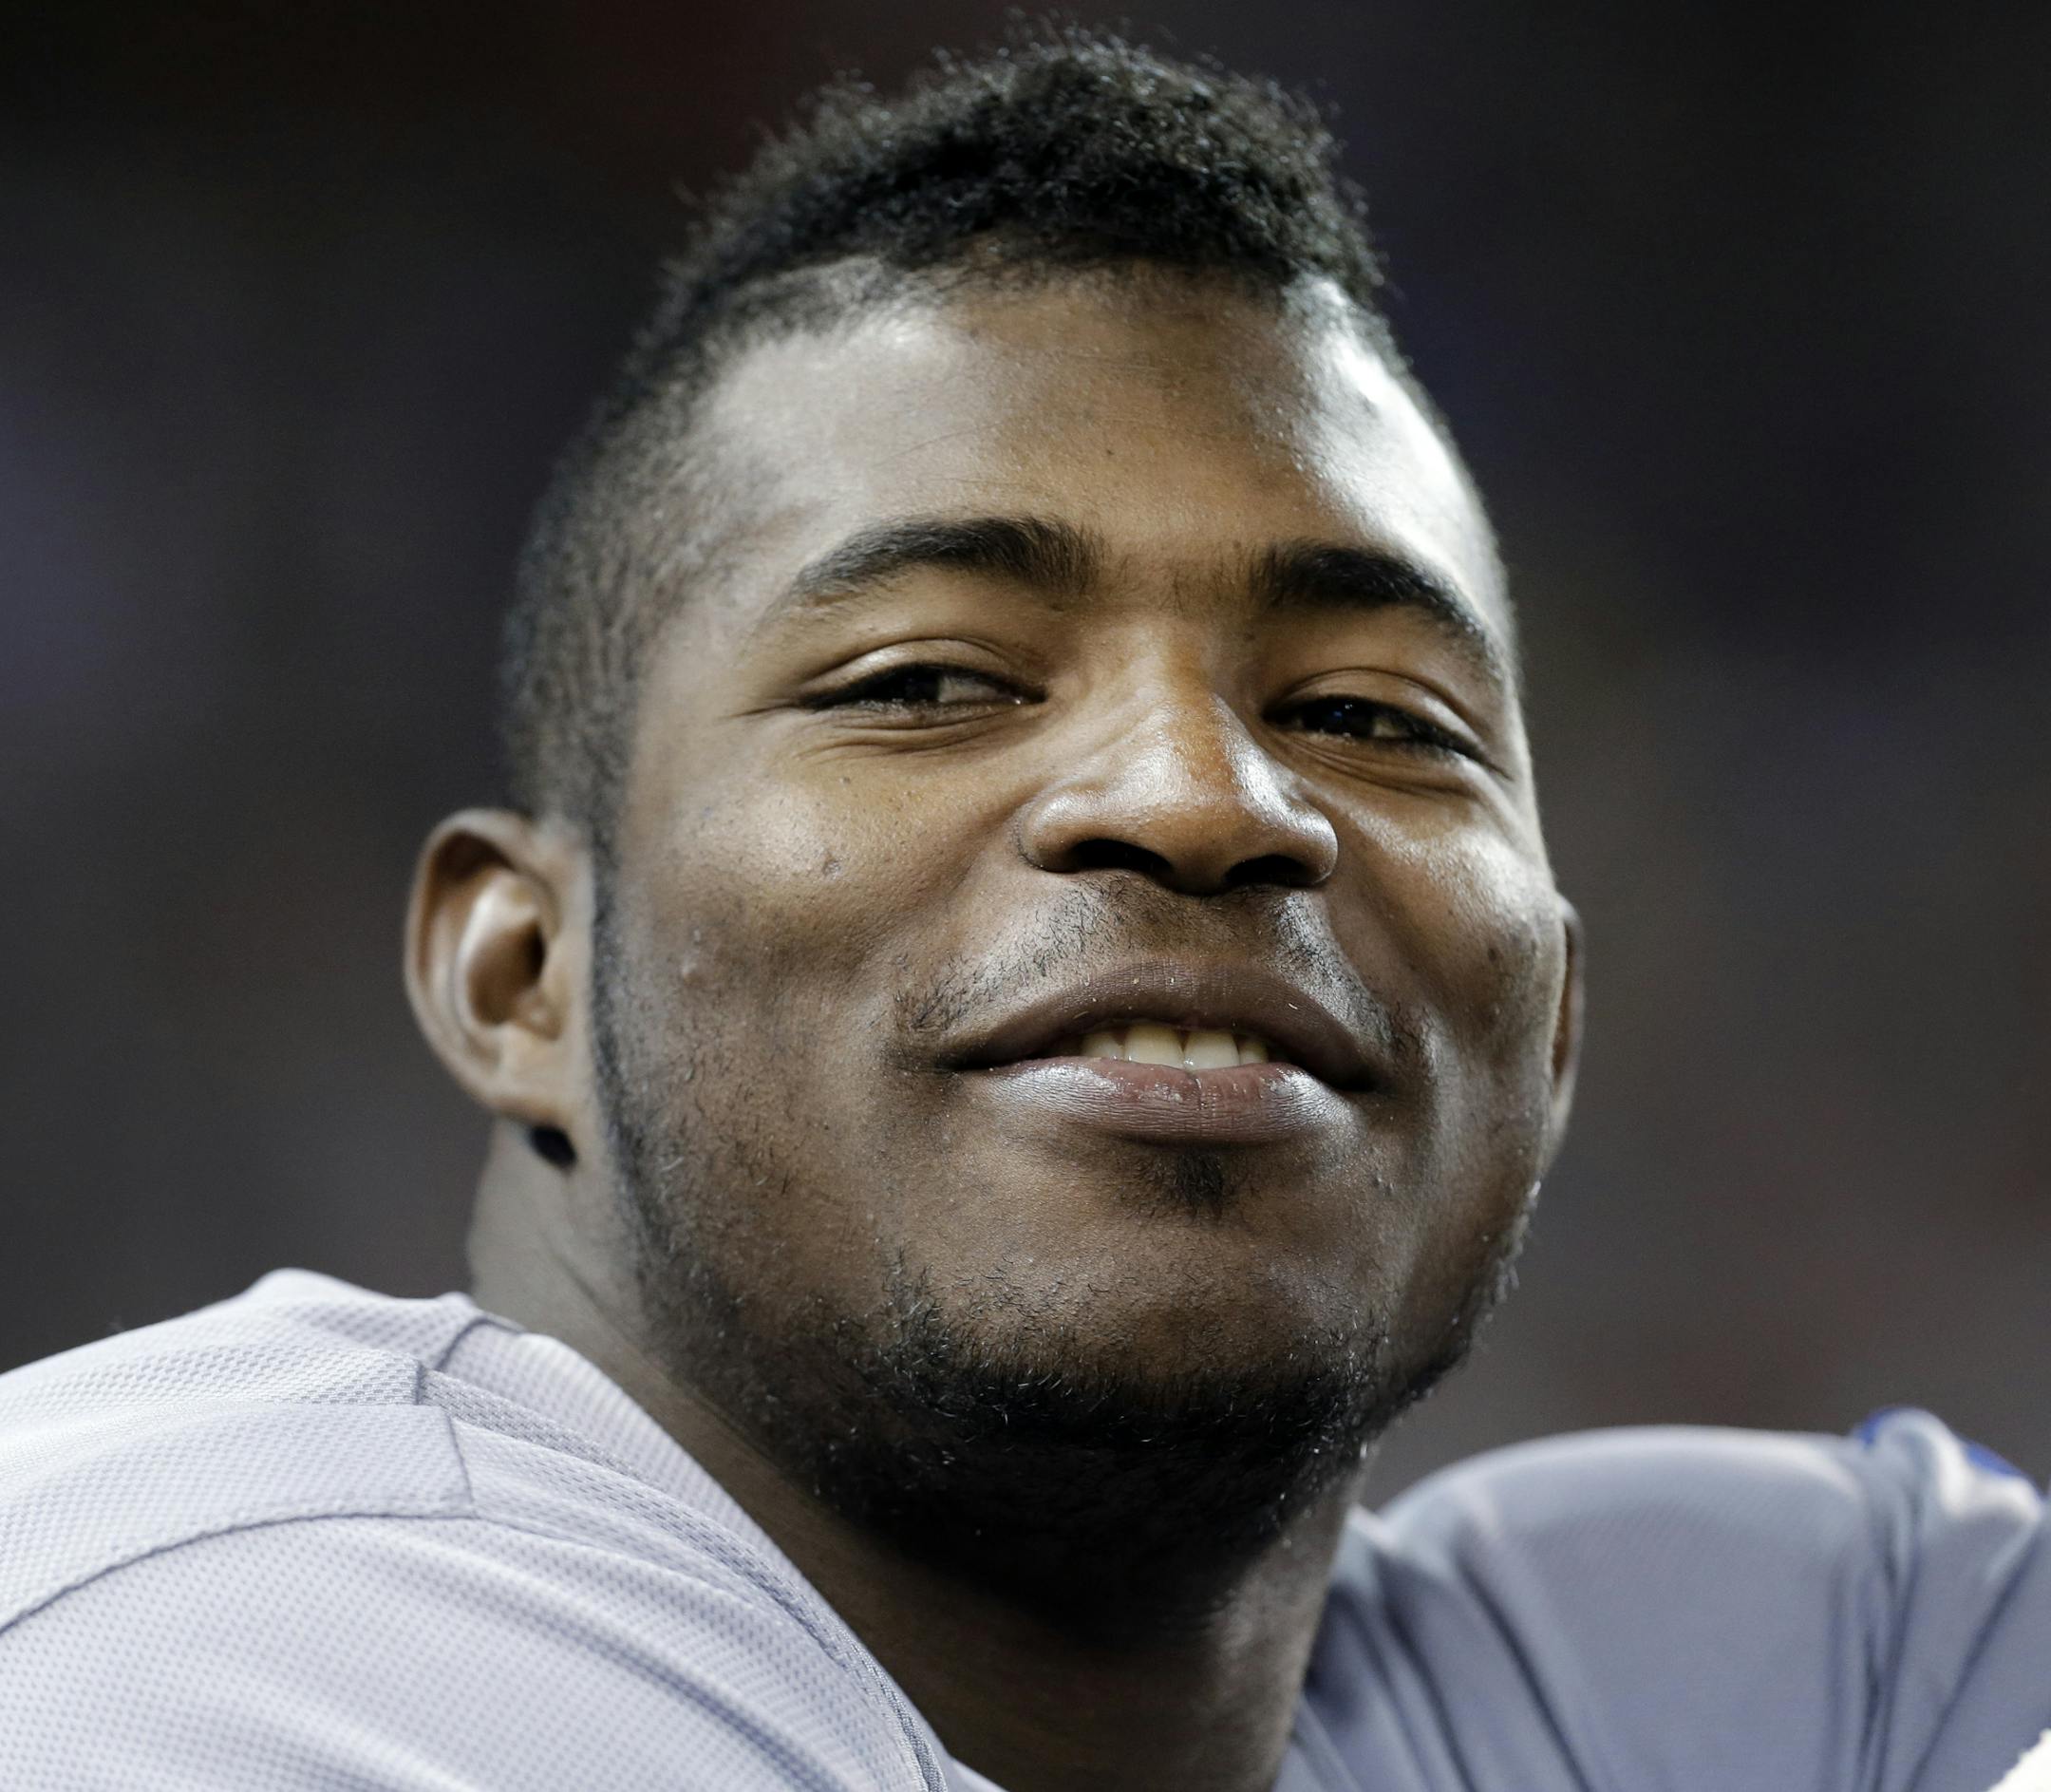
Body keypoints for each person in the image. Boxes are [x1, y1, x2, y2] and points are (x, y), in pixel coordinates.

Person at [1, 28, 2042, 1792]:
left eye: (1367, 713)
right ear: (518, 967)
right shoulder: (217, 1633)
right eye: (928, 681)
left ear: (1554, 1027)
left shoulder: (1814, 1656)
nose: (1205, 796)